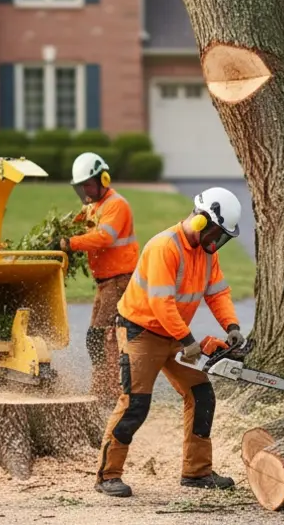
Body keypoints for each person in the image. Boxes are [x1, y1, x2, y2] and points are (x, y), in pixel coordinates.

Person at [94, 187, 246, 498]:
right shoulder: (165, 246)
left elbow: (217, 293)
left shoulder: (207, 254)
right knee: (135, 403)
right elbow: (161, 303)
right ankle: (108, 475)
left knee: (202, 394)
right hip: (142, 332)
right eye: (217, 233)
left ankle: (197, 471)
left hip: (175, 334)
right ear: (203, 222)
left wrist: (231, 326)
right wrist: (188, 341)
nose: (218, 241)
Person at [59, 152, 138, 402]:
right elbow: (76, 226)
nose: (84, 191)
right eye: (80, 187)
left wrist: (68, 243)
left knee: (105, 336)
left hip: (119, 281)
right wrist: (60, 235)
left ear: (104, 179)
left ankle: (111, 392)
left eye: (88, 185)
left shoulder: (117, 205)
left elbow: (105, 237)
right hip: (105, 284)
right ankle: (103, 388)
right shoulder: (92, 206)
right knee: (96, 337)